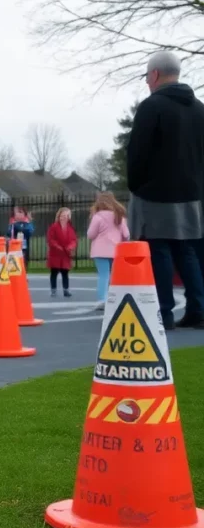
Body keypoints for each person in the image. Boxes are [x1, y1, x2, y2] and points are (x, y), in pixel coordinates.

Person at [127, 51, 204, 330]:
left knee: (158, 251)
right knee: (187, 252)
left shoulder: (152, 106)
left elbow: (137, 152)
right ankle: (198, 309)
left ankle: (164, 312)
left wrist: (136, 184)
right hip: (191, 193)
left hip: (156, 193)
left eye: (147, 77)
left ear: (155, 75)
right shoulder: (199, 109)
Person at [88, 192, 130, 311]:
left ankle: (102, 300)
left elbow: (91, 235)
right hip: (116, 251)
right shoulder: (119, 216)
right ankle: (116, 298)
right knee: (115, 276)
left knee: (103, 275)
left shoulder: (98, 217)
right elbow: (126, 235)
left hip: (100, 251)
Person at [47, 207, 77, 298]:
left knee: (65, 273)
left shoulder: (70, 228)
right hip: (55, 254)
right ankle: (53, 290)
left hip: (65, 254)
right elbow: (50, 239)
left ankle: (66, 290)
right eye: (62, 215)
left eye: (67, 215)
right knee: (54, 273)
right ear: (59, 216)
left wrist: (70, 247)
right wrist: (57, 246)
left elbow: (74, 240)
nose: (64, 217)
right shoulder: (53, 227)